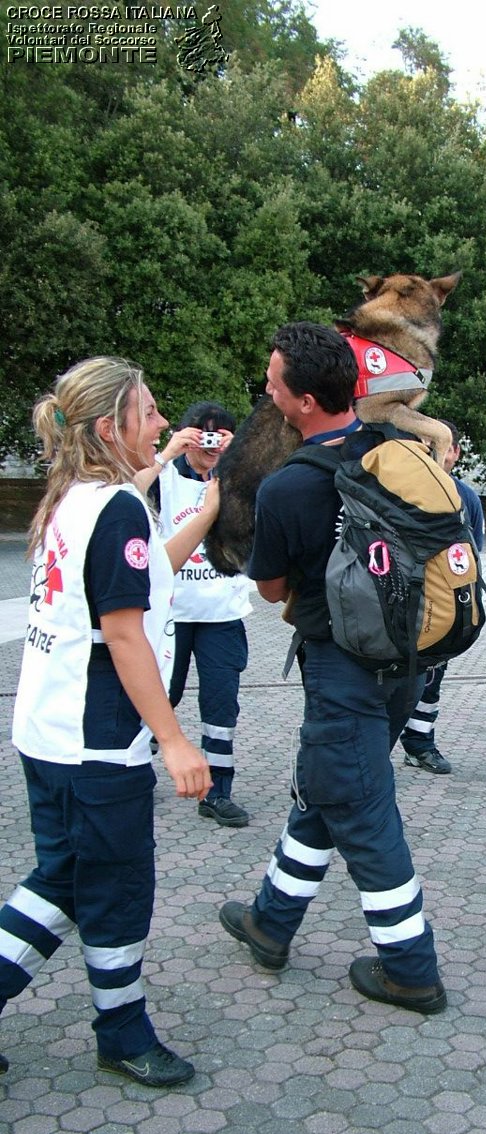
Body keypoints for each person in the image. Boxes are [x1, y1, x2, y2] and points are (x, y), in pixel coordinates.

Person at [0, 357, 218, 1087]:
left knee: (65, 876)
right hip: (95, 744)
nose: (162, 424)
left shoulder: (78, 496)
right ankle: (122, 1032)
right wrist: (175, 739)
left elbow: (150, 572)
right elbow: (124, 634)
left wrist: (208, 509)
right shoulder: (115, 506)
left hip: (49, 732)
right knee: (114, 888)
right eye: (150, 411)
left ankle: (120, 1027)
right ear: (109, 427)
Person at [219, 322, 446, 1014]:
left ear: (304, 401)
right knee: (327, 788)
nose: (266, 388)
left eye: (273, 379)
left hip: (342, 671)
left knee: (364, 815)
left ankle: (411, 969)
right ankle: (271, 920)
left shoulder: (287, 487)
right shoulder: (393, 449)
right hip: (405, 665)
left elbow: (271, 590)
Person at [139, 402, 252, 829]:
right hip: (171, 612)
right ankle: (139, 768)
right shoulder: (164, 479)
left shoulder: (238, 480)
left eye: (220, 434)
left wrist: (238, 454)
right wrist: (166, 453)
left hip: (222, 614)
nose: (210, 443)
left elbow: (276, 488)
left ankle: (218, 790)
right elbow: (124, 491)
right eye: (201, 434)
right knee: (161, 695)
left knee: (221, 702)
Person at [400, 420, 485, 775]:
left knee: (433, 675)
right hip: (401, 600)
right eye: (426, 442)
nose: (435, 450)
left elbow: (473, 556)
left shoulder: (467, 498)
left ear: (455, 453)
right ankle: (379, 745)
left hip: (444, 604)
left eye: (443, 445)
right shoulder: (399, 487)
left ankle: (419, 743)